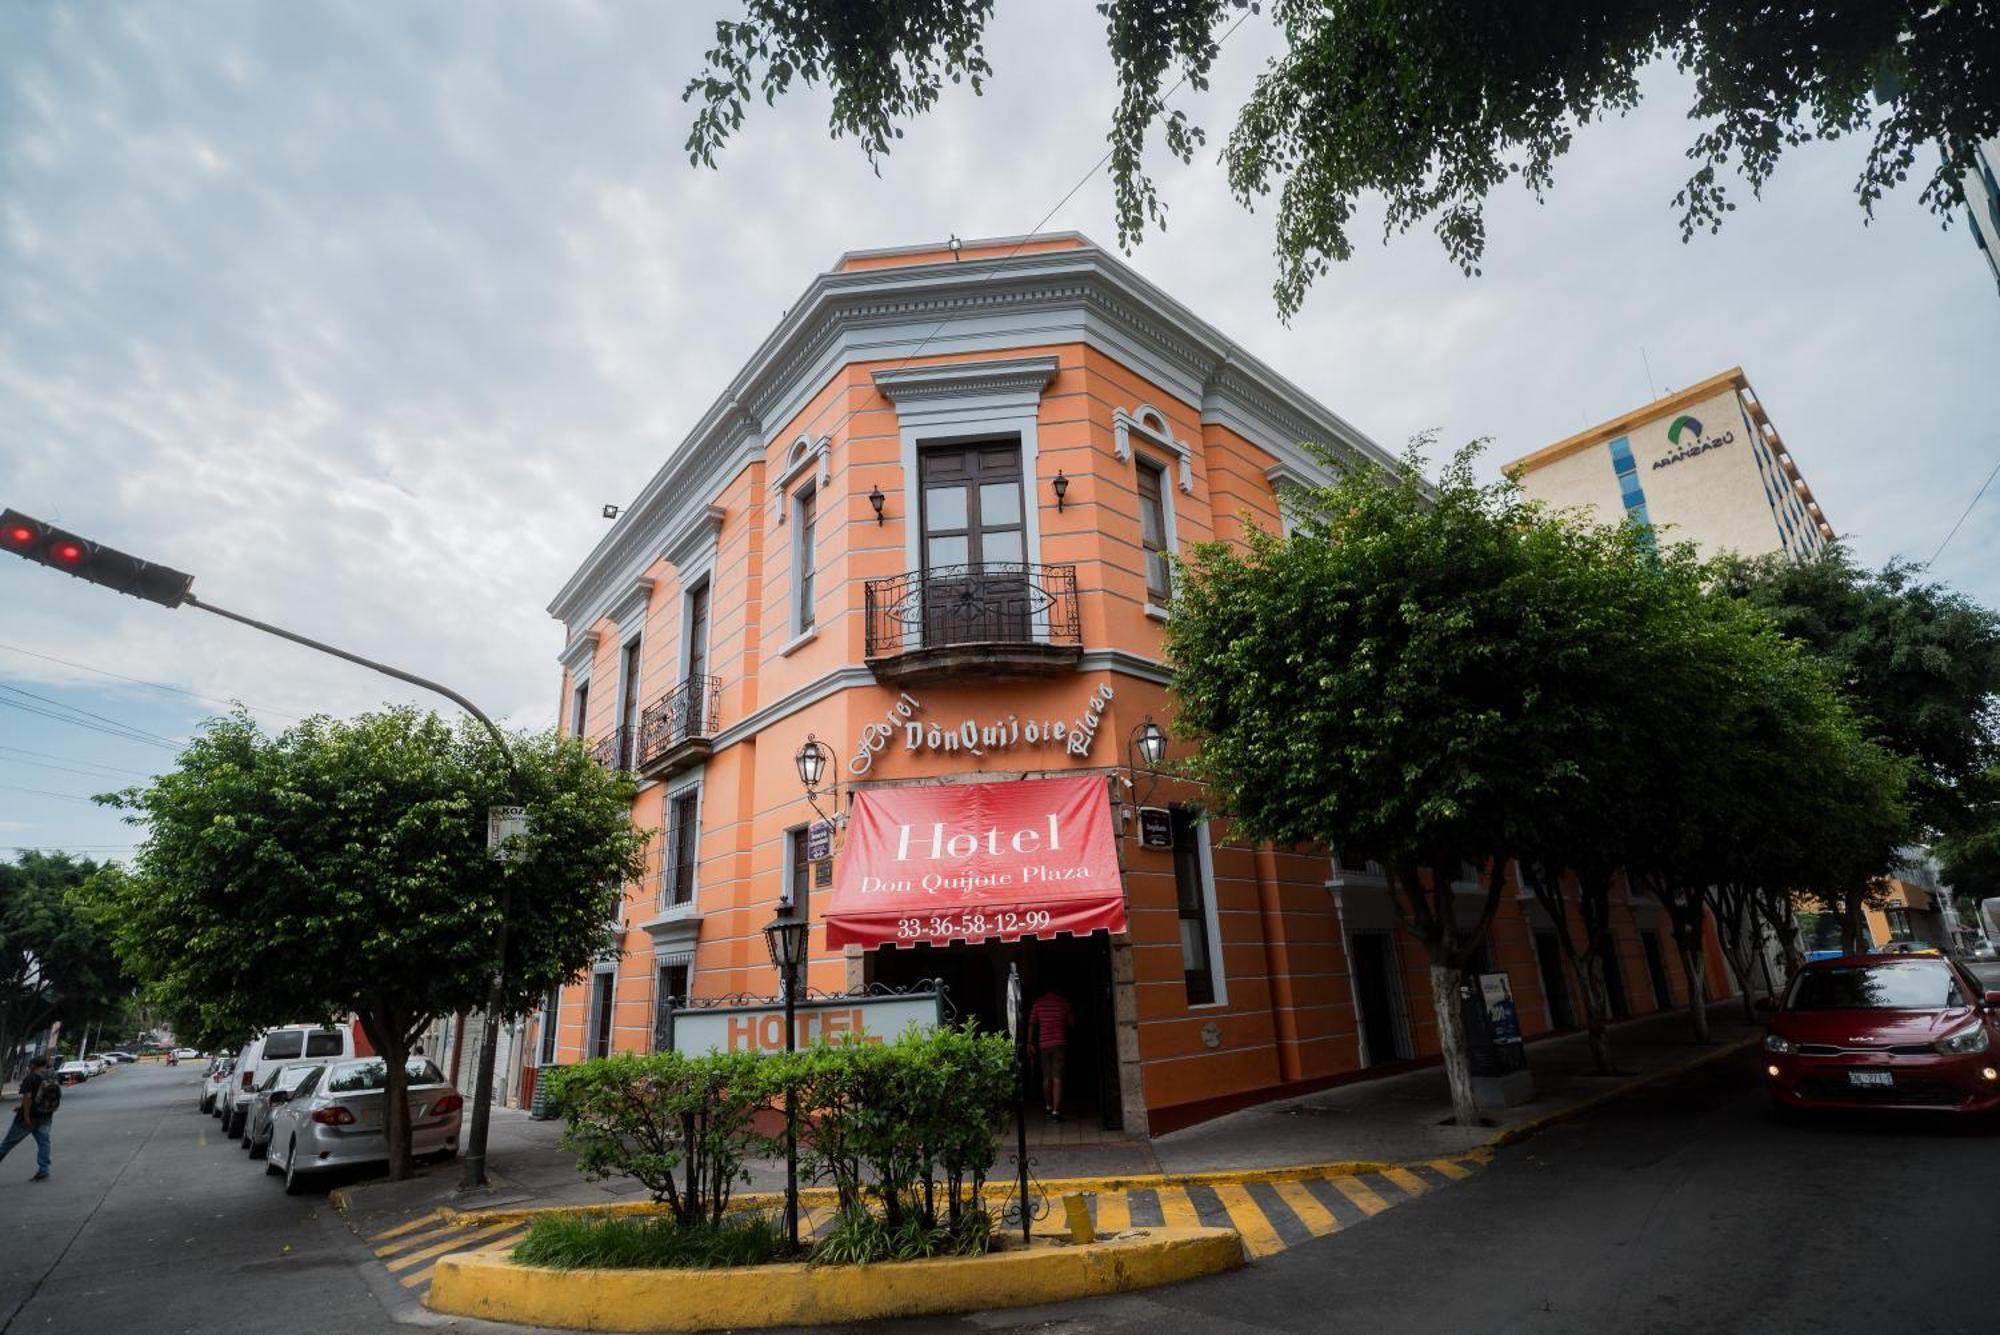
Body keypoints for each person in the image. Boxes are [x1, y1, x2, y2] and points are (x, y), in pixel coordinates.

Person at [1, 1054, 59, 1181]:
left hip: (28, 1118)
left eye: (30, 1065)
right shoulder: (52, 1076)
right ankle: (44, 1169)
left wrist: (26, 1115)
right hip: (45, 1115)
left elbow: (27, 1097)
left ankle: (43, 1170)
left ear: (33, 1065)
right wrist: (21, 1107)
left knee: (7, 1143)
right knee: (44, 1143)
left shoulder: (31, 1078)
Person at [1027, 986, 1075, 1121]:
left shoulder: (1038, 1003)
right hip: (1059, 1044)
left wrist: (1029, 1043)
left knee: (1046, 1078)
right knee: (1057, 1077)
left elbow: (1032, 1023)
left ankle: (1048, 1106)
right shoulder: (1063, 1003)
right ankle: (1056, 1111)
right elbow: (1071, 1023)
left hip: (1044, 1044)